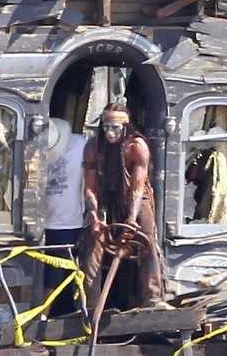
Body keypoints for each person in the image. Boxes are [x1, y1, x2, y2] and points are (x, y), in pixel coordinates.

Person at [80, 102, 166, 311]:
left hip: (136, 198)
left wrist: (131, 220)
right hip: (104, 197)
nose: (110, 133)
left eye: (115, 128)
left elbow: (137, 188)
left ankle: (153, 297)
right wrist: (94, 217)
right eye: (106, 127)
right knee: (92, 243)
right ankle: (91, 303)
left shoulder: (137, 147)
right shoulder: (93, 147)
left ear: (125, 127)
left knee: (146, 239)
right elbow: (89, 188)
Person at [42, 118, 87, 316]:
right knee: (49, 274)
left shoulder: (80, 145)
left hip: (68, 222)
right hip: (42, 221)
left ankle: (43, 317)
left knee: (55, 275)